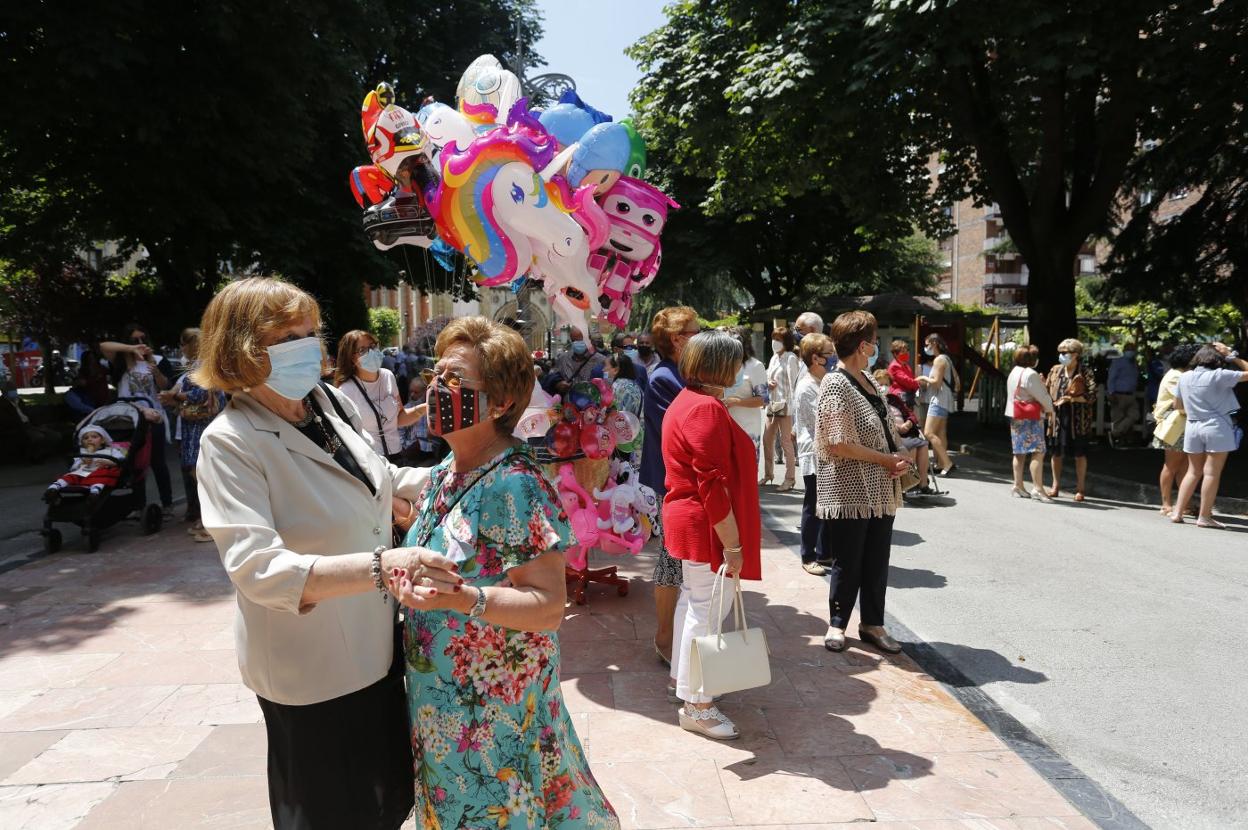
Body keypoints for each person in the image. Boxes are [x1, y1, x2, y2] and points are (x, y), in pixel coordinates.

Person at [193, 277, 443, 828]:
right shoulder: (230, 440)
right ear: (243, 347)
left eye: (311, 333)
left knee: (381, 800)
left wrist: (457, 473)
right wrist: (382, 567)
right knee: (329, 809)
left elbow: (377, 478)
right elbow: (257, 568)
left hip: (375, 645)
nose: (309, 347)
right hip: (311, 667)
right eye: (289, 335)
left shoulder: (323, 402)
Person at [386, 317, 620, 827]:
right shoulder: (445, 474)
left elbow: (548, 607)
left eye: (455, 382)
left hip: (494, 719)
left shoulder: (514, 486)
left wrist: (460, 598)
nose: (436, 390)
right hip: (443, 711)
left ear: (499, 404)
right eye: (435, 377)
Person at [661, 329, 762, 740]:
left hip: (692, 519)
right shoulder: (705, 408)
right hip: (704, 523)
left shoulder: (691, 401)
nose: (740, 368)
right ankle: (697, 705)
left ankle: (684, 685)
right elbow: (713, 484)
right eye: (736, 362)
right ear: (721, 366)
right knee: (706, 608)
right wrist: (733, 544)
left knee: (696, 603)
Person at [816, 311, 909, 655]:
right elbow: (839, 442)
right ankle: (837, 624)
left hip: (880, 487)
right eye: (872, 338)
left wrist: (898, 455)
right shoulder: (835, 383)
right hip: (848, 488)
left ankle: (873, 623)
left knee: (876, 559)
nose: (875, 344)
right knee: (848, 559)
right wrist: (887, 460)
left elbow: (883, 429)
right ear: (861, 344)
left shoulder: (868, 378)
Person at [640, 306, 700, 667]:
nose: (702, 336)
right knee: (672, 559)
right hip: (672, 484)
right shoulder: (664, 376)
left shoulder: (681, 372)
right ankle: (664, 635)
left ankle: (673, 632)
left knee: (678, 559)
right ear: (679, 339)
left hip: (681, 482)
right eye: (696, 330)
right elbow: (683, 433)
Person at [158, 328, 225, 542]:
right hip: (191, 426)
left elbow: (203, 394)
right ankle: (208, 520)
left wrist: (177, 396)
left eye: (183, 343)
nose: (181, 348)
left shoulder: (206, 368)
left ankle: (215, 522)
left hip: (202, 427)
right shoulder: (193, 367)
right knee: (197, 474)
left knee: (203, 475)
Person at [1171, 343, 1248, 528]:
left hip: (1192, 426)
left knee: (1192, 471)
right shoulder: (1219, 375)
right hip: (1217, 426)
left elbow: (1177, 405)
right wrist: (1232, 355)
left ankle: (1177, 512)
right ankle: (1204, 517)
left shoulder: (1185, 377)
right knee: (1211, 473)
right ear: (1217, 360)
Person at [100, 324, 174, 515]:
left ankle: (167, 504)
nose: (140, 344)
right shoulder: (120, 361)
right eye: (135, 340)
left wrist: (153, 366)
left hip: (153, 417)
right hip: (127, 419)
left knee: (157, 462)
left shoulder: (158, 360)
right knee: (133, 464)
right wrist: (131, 350)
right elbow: (104, 346)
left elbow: (165, 385)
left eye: (143, 339)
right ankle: (138, 506)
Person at [335, 330, 423, 465]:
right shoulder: (346, 391)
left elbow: (398, 419)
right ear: (352, 358)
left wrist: (426, 408)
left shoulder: (388, 376)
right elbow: (348, 436)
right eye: (362, 350)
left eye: (372, 346)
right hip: (371, 460)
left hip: (397, 456)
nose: (371, 352)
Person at [796, 334, 837, 575]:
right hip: (814, 454)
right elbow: (822, 422)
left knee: (827, 506)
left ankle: (825, 553)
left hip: (828, 454)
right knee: (813, 506)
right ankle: (808, 555)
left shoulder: (823, 381)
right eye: (829, 354)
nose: (833, 358)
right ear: (815, 358)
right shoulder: (807, 386)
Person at [1045, 338, 1098, 501]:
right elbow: (1046, 389)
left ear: (1076, 354)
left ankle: (1080, 488)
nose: (1062, 356)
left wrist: (1072, 399)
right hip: (1057, 417)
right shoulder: (1055, 370)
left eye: (1065, 353)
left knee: (1079, 454)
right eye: (1060, 353)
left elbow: (1092, 395)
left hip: (1078, 418)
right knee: (1056, 453)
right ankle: (1055, 486)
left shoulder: (1085, 371)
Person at [1152, 343, 1200, 516]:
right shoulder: (1176, 376)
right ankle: (1166, 503)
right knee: (1171, 466)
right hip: (1175, 427)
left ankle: (1184, 503)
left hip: (1183, 426)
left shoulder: (1182, 374)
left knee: (1184, 468)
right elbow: (1183, 402)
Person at [1004, 345, 1055, 500]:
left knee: (1019, 452)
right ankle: (1038, 488)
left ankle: (1018, 485)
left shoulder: (1014, 372)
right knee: (1038, 451)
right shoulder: (1030, 374)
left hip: (1015, 414)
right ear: (1032, 359)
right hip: (1030, 417)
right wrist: (1051, 409)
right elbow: (1042, 396)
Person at [874, 369, 932, 497]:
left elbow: (910, 413)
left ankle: (923, 483)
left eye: (886, 383)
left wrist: (909, 423)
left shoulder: (894, 398)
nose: (884, 387)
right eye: (881, 383)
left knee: (923, 445)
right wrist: (895, 427)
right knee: (911, 446)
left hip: (906, 431)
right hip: (892, 434)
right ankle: (907, 484)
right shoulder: (875, 401)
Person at [916, 332, 959, 476]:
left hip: (938, 399)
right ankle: (941, 464)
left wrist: (923, 377)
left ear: (934, 343)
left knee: (928, 432)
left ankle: (947, 463)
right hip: (945, 399)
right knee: (940, 433)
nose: (926, 348)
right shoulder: (946, 358)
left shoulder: (939, 360)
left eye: (927, 344)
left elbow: (936, 382)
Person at [762, 326, 799, 490]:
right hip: (772, 403)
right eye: (773, 339)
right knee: (767, 439)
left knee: (786, 442)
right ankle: (768, 474)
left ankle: (790, 478)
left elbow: (794, 384)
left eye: (778, 340)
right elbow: (768, 376)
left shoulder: (790, 358)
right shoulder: (774, 358)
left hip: (786, 405)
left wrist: (793, 408)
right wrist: (768, 383)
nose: (775, 343)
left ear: (786, 342)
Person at [44, 425, 124, 500]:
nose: (89, 439)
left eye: (94, 437)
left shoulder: (111, 450)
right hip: (83, 473)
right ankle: (53, 488)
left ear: (103, 440)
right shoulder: (82, 453)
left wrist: (110, 462)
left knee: (102, 478)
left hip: (101, 472)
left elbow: (121, 459)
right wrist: (82, 462)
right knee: (70, 476)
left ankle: (95, 492)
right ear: (82, 442)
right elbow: (74, 466)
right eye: (86, 438)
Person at [723, 328, 767, 461]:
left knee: (746, 470)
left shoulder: (755, 366)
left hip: (747, 428)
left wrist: (736, 401)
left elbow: (763, 399)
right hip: (724, 425)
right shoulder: (721, 364)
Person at [545, 327, 608, 395]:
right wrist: (558, 383)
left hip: (592, 403)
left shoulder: (601, 360)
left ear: (589, 339)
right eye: (574, 340)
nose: (578, 343)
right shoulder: (563, 359)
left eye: (581, 340)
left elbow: (607, 384)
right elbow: (552, 375)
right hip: (567, 403)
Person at [1107, 342, 1141, 446]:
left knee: (1135, 415)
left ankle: (1114, 434)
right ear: (1124, 350)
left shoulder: (1134, 364)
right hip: (1118, 394)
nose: (1130, 351)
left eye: (1132, 349)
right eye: (1128, 349)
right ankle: (1119, 441)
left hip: (1131, 394)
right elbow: (1111, 378)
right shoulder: (1118, 362)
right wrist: (1111, 392)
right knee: (1118, 418)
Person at [887, 338, 920, 409]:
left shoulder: (905, 365)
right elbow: (907, 381)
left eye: (907, 351)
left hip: (908, 398)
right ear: (895, 354)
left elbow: (912, 379)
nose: (906, 353)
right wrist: (918, 383)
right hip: (900, 399)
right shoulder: (894, 366)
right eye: (903, 351)